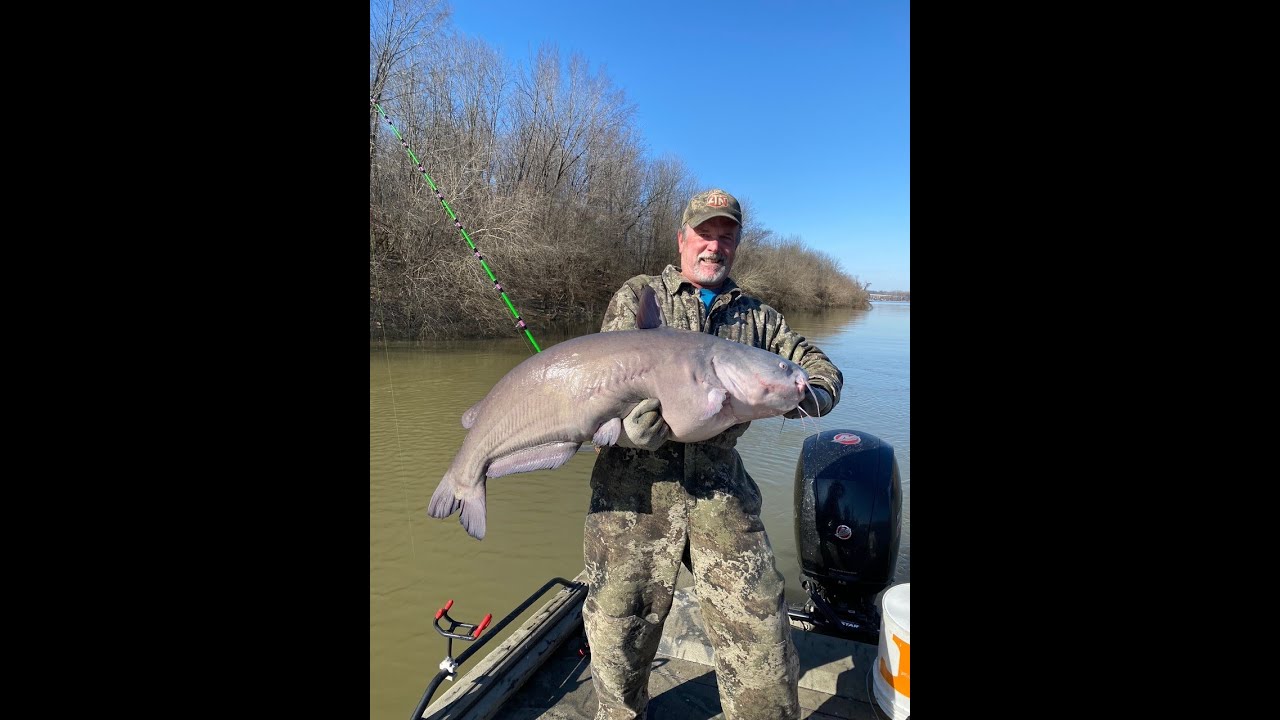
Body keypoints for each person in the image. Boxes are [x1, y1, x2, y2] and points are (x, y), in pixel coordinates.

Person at [582, 188, 844, 720]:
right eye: (705, 233)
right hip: (632, 494)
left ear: (737, 245)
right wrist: (624, 428)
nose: (714, 246)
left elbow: (818, 369)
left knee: (763, 642)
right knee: (617, 640)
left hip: (722, 492)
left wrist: (803, 397)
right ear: (682, 238)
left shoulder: (758, 319)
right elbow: (603, 374)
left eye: (726, 236)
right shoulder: (641, 296)